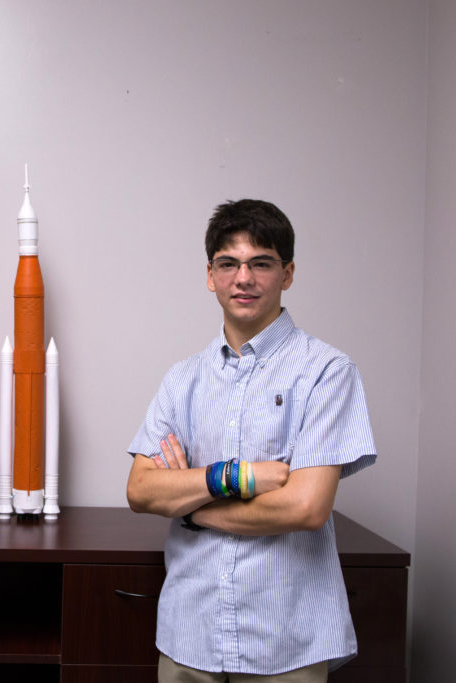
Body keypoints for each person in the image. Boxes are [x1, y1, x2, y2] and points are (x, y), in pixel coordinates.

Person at [126, 199, 376, 683]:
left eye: (261, 263)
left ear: (287, 273)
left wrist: (192, 507)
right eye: (229, 264)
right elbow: (141, 490)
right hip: (189, 635)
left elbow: (304, 508)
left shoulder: (326, 372)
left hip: (287, 640)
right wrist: (237, 476)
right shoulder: (183, 381)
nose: (243, 278)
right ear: (210, 275)